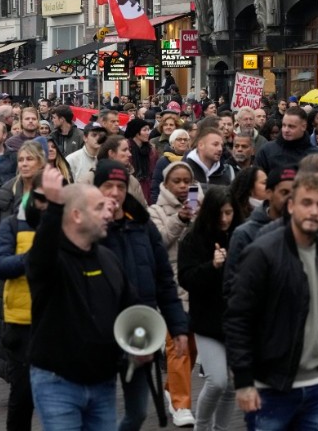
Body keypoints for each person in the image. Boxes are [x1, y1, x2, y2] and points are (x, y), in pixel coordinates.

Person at [225, 172, 318, 429]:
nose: (313, 211)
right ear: (291, 205)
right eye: (306, 202)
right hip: (270, 387)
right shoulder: (262, 252)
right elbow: (238, 318)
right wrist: (244, 382)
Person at [27, 167, 133, 429]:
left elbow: (129, 307)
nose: (108, 212)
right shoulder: (51, 260)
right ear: (76, 215)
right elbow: (41, 253)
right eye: (98, 208)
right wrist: (53, 206)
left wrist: (138, 344)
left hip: (103, 383)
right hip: (58, 383)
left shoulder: (108, 259)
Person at [95, 159, 189, 431]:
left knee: (136, 414)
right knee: (100, 414)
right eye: (107, 186)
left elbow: (164, 280)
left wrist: (178, 327)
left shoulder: (142, 225)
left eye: (120, 186)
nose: (114, 193)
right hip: (98, 333)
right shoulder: (85, 227)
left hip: (138, 330)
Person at [177, 186, 239, 431]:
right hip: (206, 320)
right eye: (219, 214)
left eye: (229, 212)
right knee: (217, 380)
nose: (224, 219)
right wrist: (212, 267)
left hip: (234, 320)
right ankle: (202, 426)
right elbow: (186, 278)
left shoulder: (239, 234)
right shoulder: (193, 239)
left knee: (232, 384)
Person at [0, 173, 48, 430]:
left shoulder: (70, 226)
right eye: (43, 197)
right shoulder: (13, 225)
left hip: (57, 324)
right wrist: (31, 258)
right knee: (22, 398)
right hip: (21, 323)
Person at [147, 160, 197, 427]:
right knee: (177, 346)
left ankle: (171, 387)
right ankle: (181, 404)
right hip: (171, 286)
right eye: (176, 181)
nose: (182, 186)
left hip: (197, 283)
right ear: (165, 184)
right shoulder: (154, 211)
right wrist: (180, 219)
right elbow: (161, 241)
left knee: (194, 347)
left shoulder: (198, 205)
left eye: (186, 181)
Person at [224, 166, 296, 294]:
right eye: (284, 193)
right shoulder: (245, 233)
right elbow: (232, 285)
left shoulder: (303, 231)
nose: (290, 199)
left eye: (294, 194)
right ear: (269, 193)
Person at [255, 107, 318, 174]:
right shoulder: (266, 151)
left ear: (304, 127)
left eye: (291, 126)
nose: (286, 130)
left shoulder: (316, 155)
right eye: (284, 125)